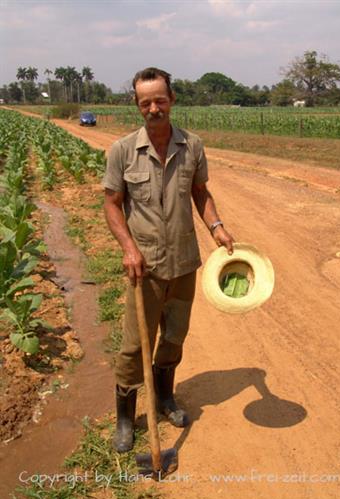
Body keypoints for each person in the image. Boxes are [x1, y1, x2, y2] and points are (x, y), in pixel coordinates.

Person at [102, 67, 234, 453]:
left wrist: (217, 227)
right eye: (146, 103)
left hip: (184, 263)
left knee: (174, 337)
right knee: (133, 346)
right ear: (137, 105)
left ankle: (165, 399)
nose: (154, 108)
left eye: (160, 100)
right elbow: (111, 205)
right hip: (145, 267)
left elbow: (200, 192)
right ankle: (126, 418)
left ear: (172, 99)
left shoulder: (192, 145)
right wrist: (128, 248)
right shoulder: (123, 150)